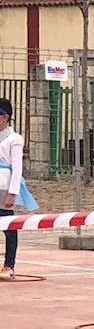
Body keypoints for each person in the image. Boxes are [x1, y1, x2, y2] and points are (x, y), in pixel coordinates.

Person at [0, 97, 38, 280]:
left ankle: (9, 265)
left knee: (8, 225)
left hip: (3, 186)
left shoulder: (14, 139)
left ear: (6, 117)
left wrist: (12, 193)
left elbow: (17, 168)